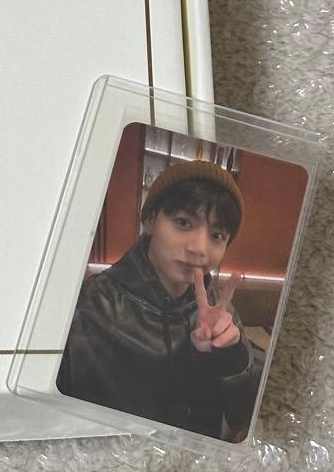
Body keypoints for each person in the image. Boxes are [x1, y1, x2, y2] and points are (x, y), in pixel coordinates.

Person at [56, 159, 262, 440]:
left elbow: (242, 416)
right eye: (183, 223)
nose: (199, 249)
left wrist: (231, 354)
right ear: (151, 219)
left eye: (217, 235)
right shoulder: (92, 305)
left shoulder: (219, 312)